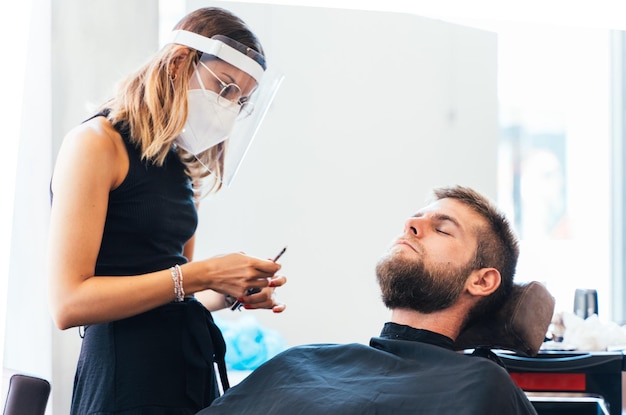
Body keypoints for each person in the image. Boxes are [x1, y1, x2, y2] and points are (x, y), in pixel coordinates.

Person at [47, 7, 287, 415]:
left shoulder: (182, 167)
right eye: (225, 88)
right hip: (124, 380)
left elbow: (174, 294)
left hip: (185, 373)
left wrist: (228, 290)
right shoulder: (96, 144)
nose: (229, 107)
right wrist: (203, 273)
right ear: (178, 63)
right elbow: (69, 304)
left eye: (241, 101)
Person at [199, 185, 537, 415]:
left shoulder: (483, 387)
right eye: (415, 218)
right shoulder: (301, 362)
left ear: (481, 280)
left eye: (443, 229)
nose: (412, 224)